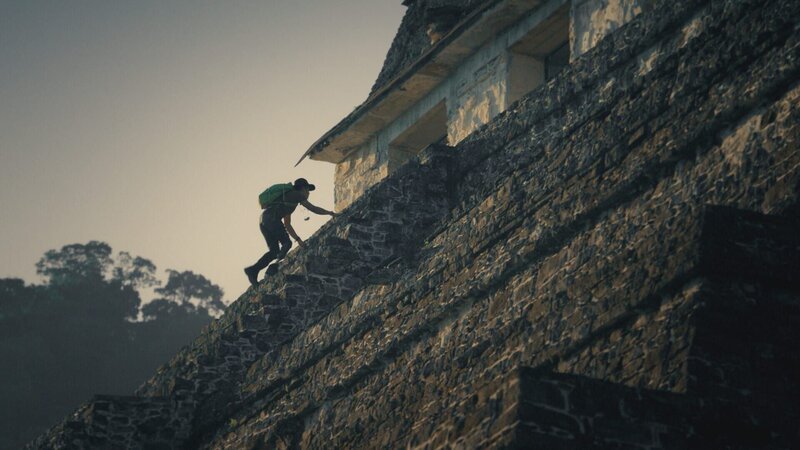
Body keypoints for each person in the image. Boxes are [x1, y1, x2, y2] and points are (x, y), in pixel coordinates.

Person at [244, 178, 335, 286]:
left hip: (263, 220)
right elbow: (313, 208)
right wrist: (329, 213)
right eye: (307, 190)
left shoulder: (289, 200)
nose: (308, 193)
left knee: (274, 251)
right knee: (286, 244)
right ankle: (275, 266)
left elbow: (287, 224)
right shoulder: (296, 195)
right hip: (271, 219)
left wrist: (298, 239)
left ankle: (253, 270)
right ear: (303, 188)